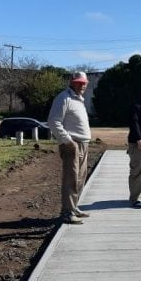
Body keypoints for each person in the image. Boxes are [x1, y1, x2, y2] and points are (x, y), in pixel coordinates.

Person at [47, 71, 92, 225]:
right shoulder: (64, 98)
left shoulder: (79, 100)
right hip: (72, 144)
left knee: (80, 178)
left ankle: (73, 207)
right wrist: (67, 140)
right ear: (72, 82)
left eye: (84, 83)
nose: (82, 85)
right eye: (78, 82)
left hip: (83, 144)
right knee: (71, 179)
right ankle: (67, 212)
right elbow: (53, 121)